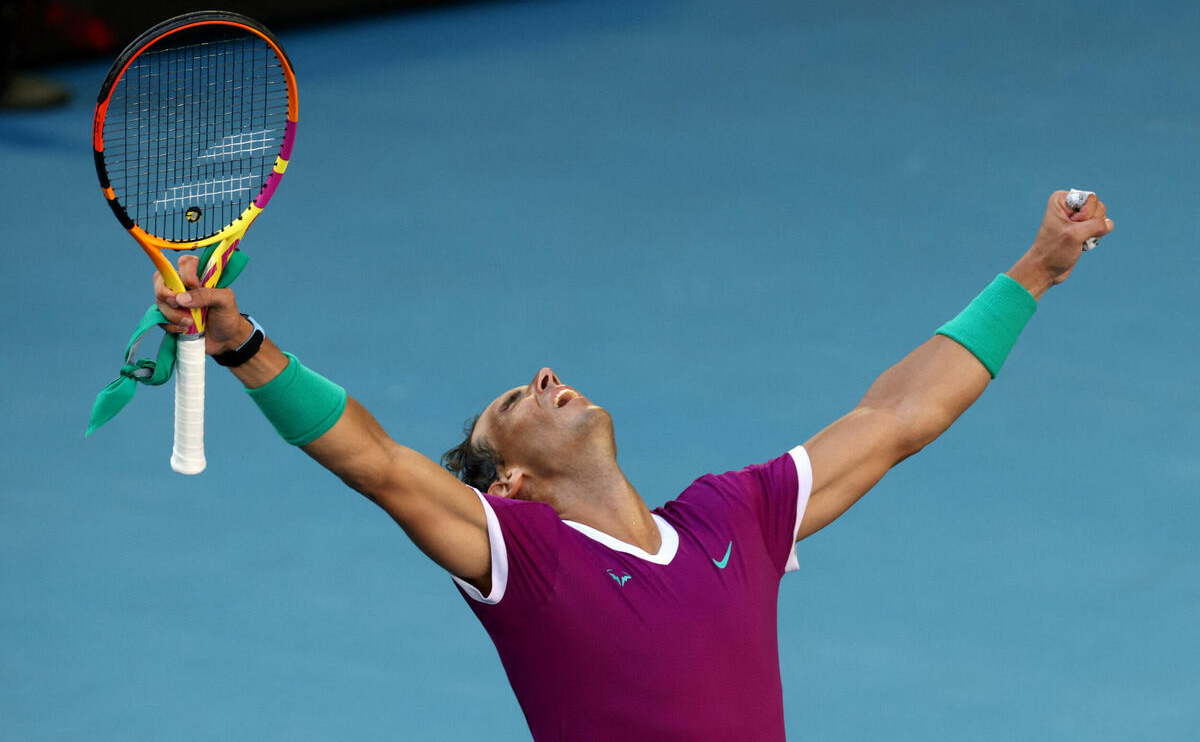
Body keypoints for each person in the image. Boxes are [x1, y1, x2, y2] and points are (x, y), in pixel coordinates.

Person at [154, 191, 1113, 741]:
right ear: (509, 486)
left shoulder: (732, 517)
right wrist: (242, 344)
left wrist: (1034, 271)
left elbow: (897, 418)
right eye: (514, 403)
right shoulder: (526, 559)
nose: (544, 377)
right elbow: (374, 461)